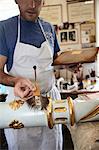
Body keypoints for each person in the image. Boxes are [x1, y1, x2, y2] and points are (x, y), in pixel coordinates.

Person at [0, 0, 63, 149]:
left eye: (37, 0)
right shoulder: (4, 28)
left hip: (49, 101)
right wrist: (16, 81)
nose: (33, 5)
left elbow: (54, 60)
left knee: (52, 145)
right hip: (20, 103)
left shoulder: (48, 28)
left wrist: (72, 65)